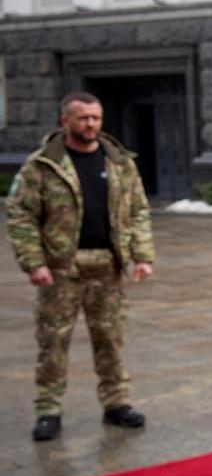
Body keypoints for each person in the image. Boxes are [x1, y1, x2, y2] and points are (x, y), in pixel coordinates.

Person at [5, 91, 155, 442]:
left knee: (111, 341)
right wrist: (34, 263)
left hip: (108, 267)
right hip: (60, 271)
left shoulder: (119, 162)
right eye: (83, 118)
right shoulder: (42, 165)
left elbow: (139, 210)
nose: (91, 124)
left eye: (96, 118)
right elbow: (20, 217)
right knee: (53, 344)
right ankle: (48, 409)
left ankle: (117, 403)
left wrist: (143, 255)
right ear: (65, 121)